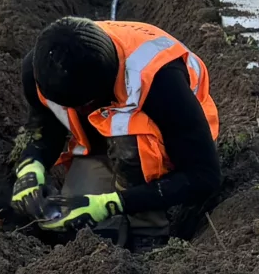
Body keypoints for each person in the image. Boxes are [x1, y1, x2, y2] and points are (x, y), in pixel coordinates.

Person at [11, 16, 223, 246]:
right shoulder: (45, 69)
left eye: (85, 105)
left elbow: (205, 175)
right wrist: (31, 166)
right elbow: (46, 126)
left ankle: (148, 230)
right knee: (75, 220)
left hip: (171, 136)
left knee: (131, 148)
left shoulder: (160, 80)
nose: (79, 111)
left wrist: (112, 204)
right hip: (102, 141)